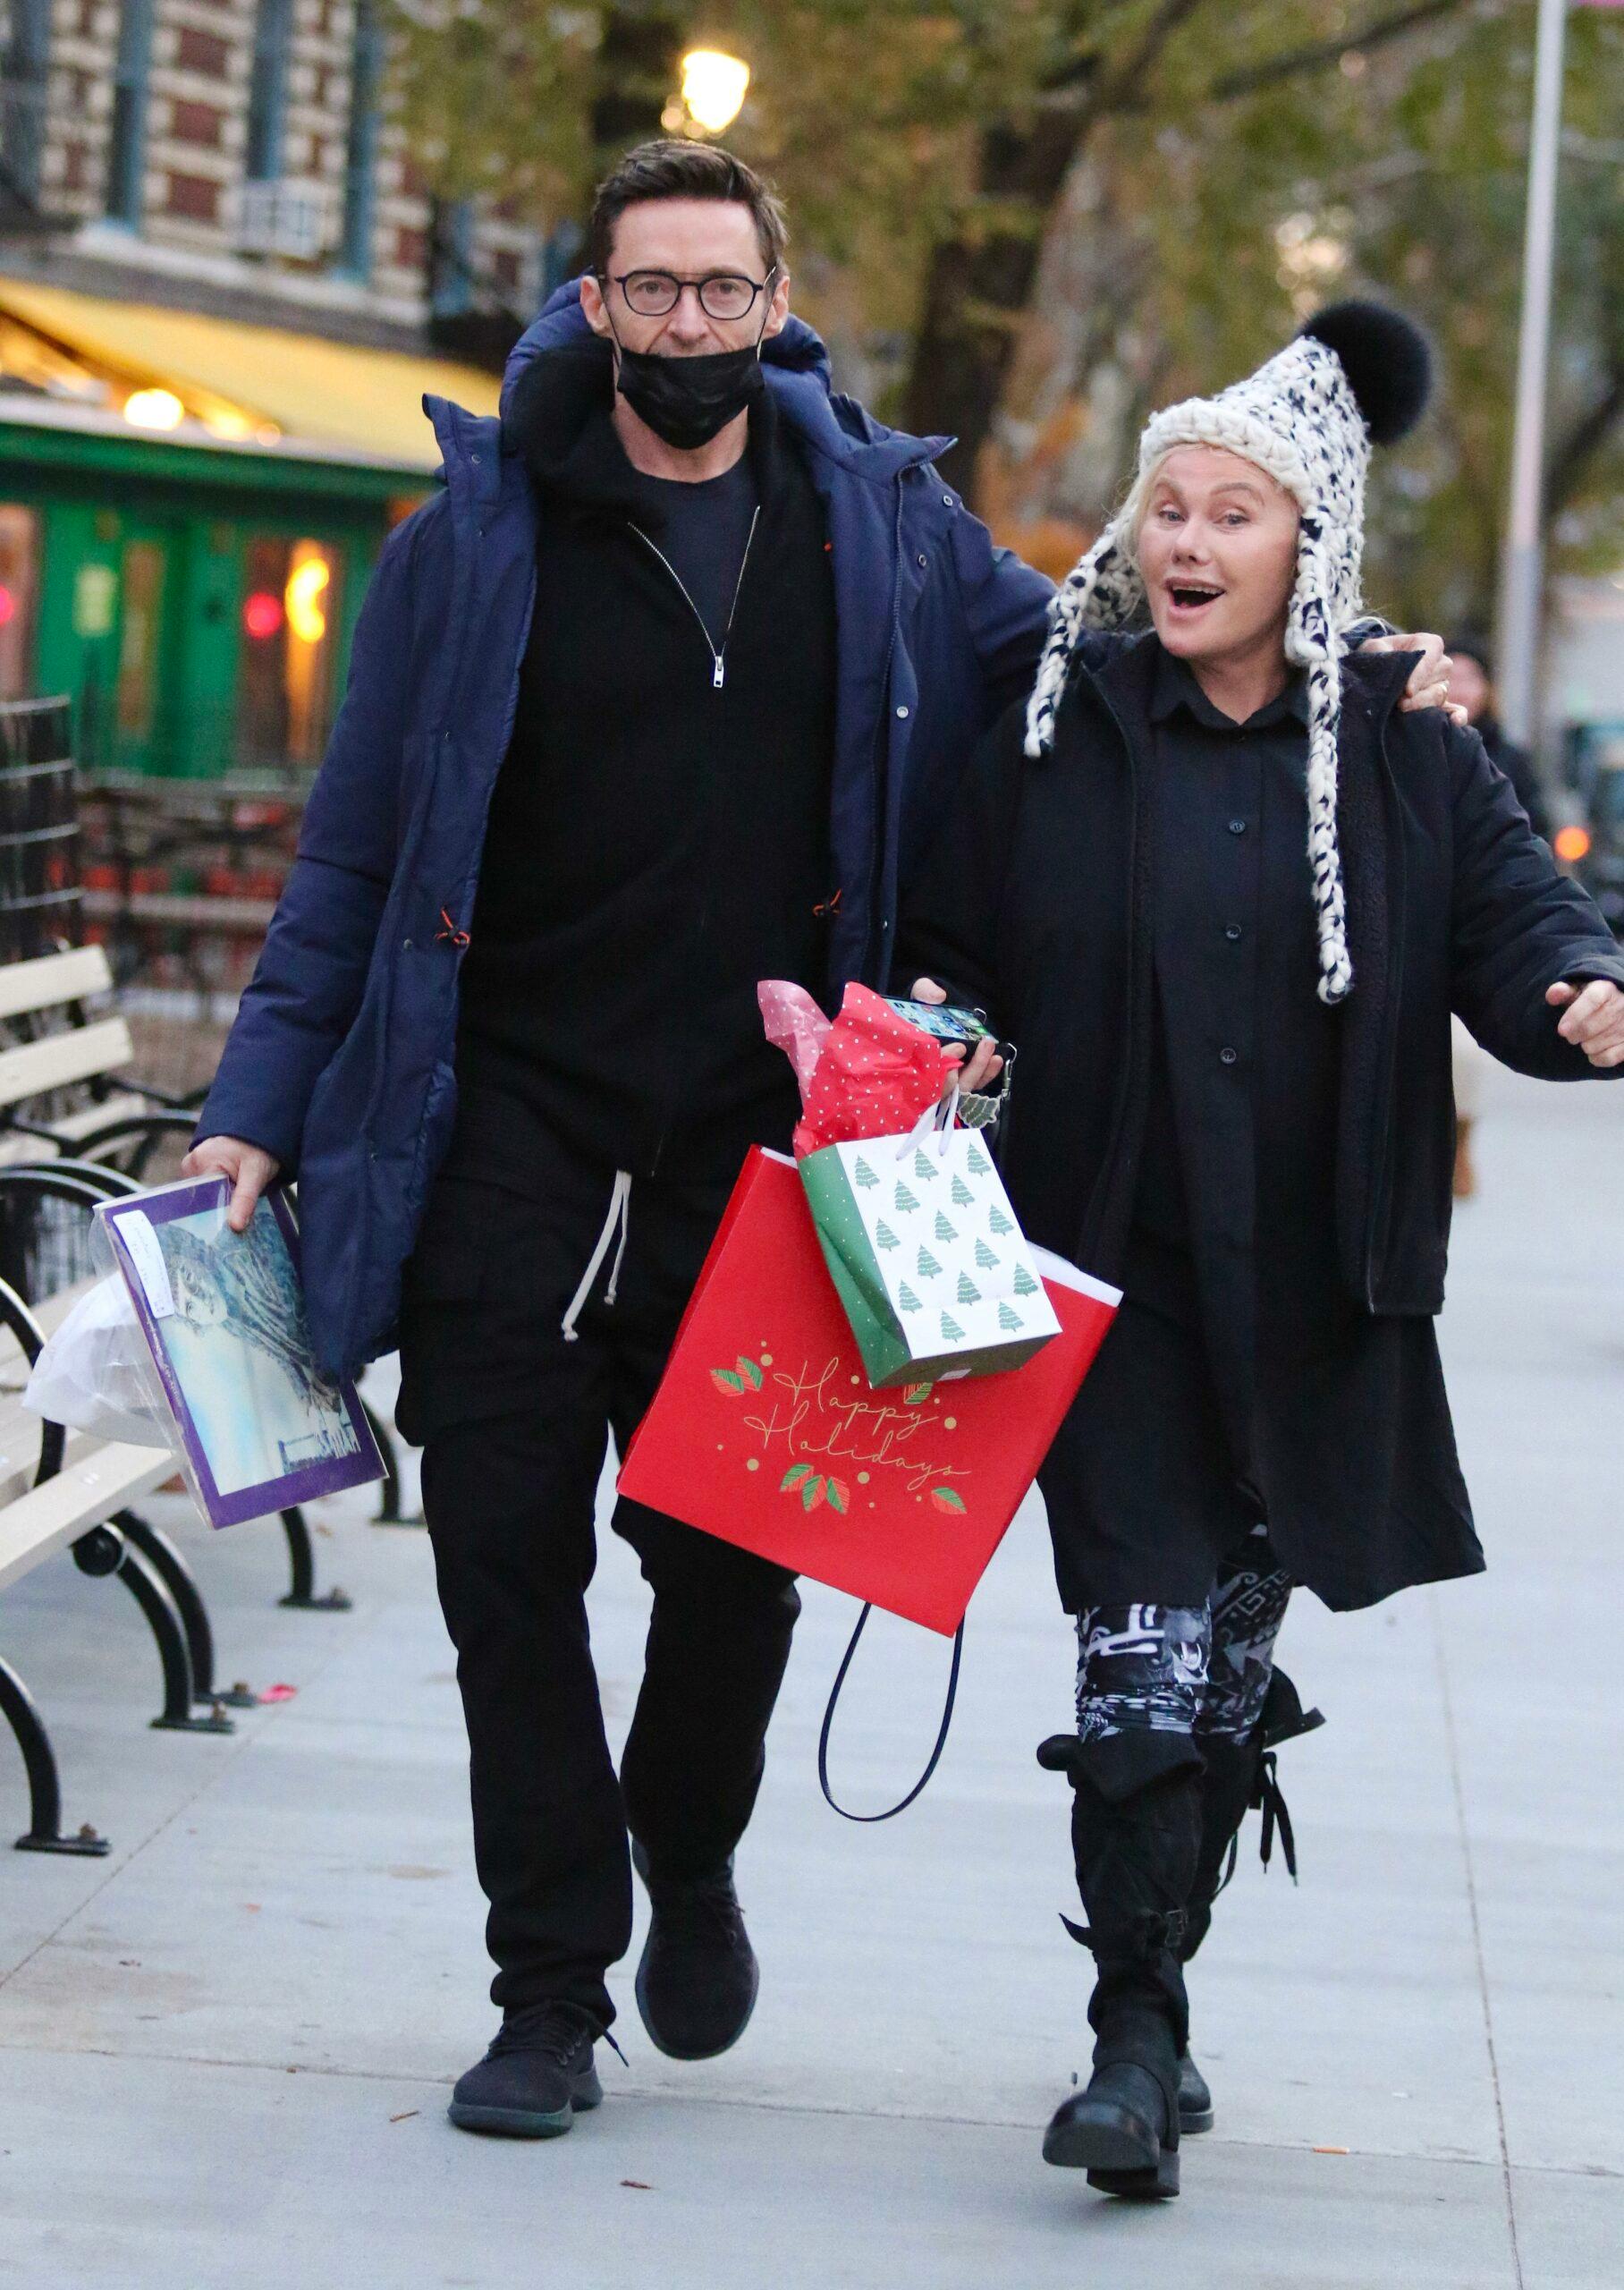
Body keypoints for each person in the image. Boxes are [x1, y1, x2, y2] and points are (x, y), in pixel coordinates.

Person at [182, 136, 1451, 2142]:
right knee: (498, 1567)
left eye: (722, 290)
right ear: (589, 304)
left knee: (724, 1574)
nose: (687, 324)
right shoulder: (470, 536)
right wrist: (258, 1111)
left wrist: (1346, 671)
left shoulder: (882, 528)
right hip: (509, 1128)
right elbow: (352, 854)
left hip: (759, 1156)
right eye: (649, 290)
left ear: (778, 306)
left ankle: (686, 1852)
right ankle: (545, 1980)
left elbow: (1099, 655)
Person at [899, 301, 1624, 2201]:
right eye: (1168, 511)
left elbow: (1514, 931)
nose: (1192, 544)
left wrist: (1581, 993)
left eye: (1236, 513)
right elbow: (950, 939)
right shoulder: (1051, 731)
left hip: (1313, 1300)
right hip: (1107, 1284)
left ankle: (1159, 1983)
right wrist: (947, 1019)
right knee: (1131, 1661)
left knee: (1220, 1679)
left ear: (1311, 548)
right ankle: (1127, 2036)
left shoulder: (1400, 752)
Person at [1446, 632, 1552, 842]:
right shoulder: (1416, 751)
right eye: (1450, 678)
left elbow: (1534, 830)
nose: (1459, 690)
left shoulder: (1511, 759)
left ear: (1487, 688)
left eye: (1468, 678)